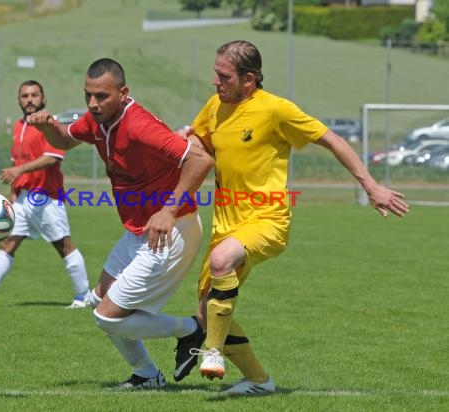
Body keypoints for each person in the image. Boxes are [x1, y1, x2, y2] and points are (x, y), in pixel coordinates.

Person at [172, 40, 410, 396]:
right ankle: (258, 380)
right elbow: (201, 145)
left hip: (268, 220)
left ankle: (213, 351)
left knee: (222, 264)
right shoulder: (214, 106)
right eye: (215, 74)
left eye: (224, 76)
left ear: (249, 79)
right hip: (226, 223)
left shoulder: (276, 110)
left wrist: (371, 186)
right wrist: (183, 138)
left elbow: (333, 141)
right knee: (208, 312)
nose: (215, 82)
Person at [26, 58, 214, 389]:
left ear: (123, 93)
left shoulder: (140, 125)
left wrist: (168, 211)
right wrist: (47, 128)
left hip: (173, 230)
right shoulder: (97, 121)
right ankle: (146, 375)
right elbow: (65, 140)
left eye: (102, 96)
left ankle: (192, 329)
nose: (93, 104)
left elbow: (199, 160)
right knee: (102, 301)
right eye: (88, 96)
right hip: (138, 230)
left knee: (106, 317)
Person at [0, 80, 91, 309]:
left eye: (34, 95)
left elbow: (52, 158)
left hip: (46, 197)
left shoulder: (50, 125)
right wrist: (13, 192)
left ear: (43, 99)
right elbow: (17, 161)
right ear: (19, 100)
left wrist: (19, 170)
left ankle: (84, 296)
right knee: (8, 243)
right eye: (25, 96)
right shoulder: (19, 126)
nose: (30, 99)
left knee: (64, 246)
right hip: (23, 198)